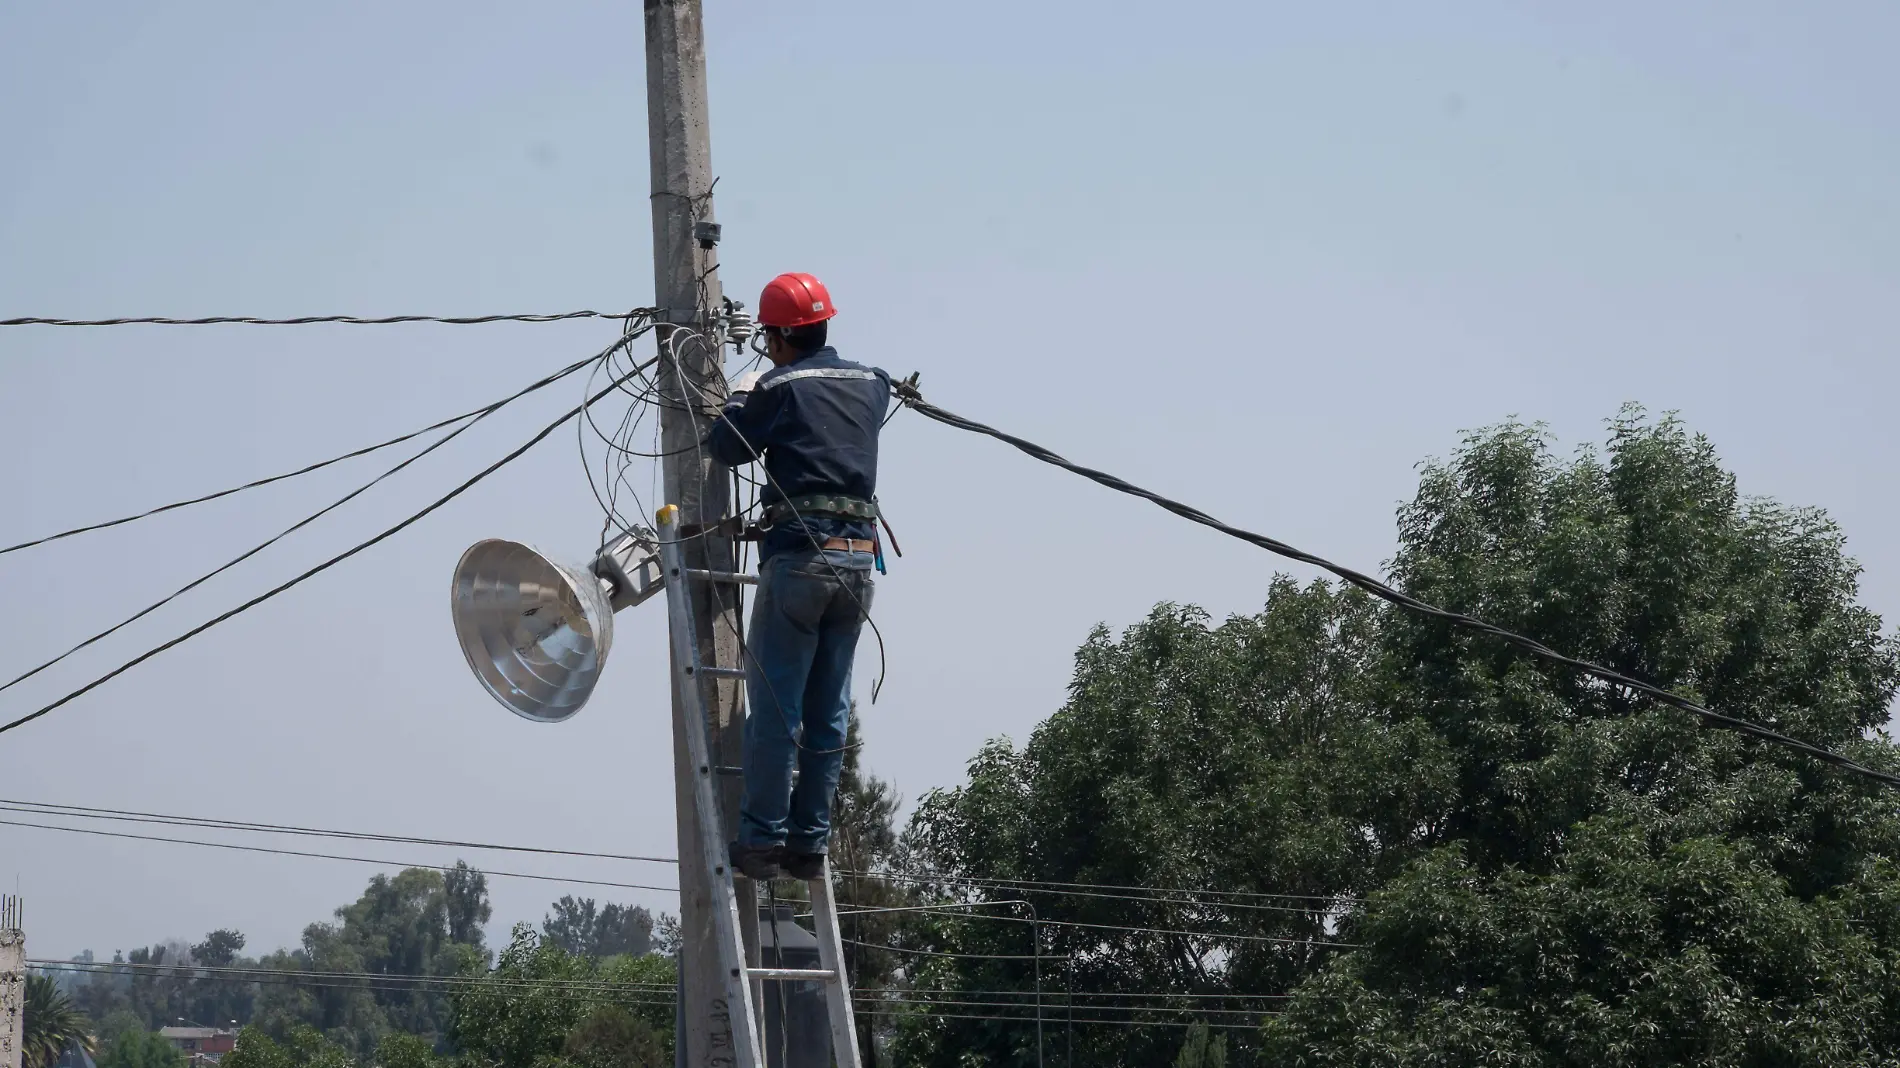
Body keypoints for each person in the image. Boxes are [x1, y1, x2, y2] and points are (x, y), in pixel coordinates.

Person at [704, 271, 890, 881]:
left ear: (781, 335)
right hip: (858, 564)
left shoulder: (778, 387)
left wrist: (741, 394)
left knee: (778, 709)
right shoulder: (872, 383)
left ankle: (760, 840)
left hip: (801, 564)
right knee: (829, 710)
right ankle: (809, 846)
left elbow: (726, 445)